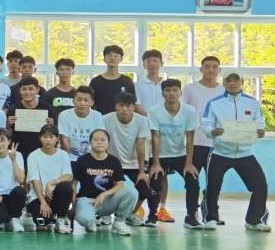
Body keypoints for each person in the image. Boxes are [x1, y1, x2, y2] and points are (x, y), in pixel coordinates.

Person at [202, 73, 270, 231]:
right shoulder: (214, 103)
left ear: (242, 82)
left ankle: (254, 220)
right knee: (213, 186)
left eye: (236, 80)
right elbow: (206, 124)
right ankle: (210, 218)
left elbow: (259, 121)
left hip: (245, 153)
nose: (232, 83)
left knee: (260, 185)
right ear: (224, 82)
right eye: (229, 80)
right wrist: (213, 131)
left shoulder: (252, 103)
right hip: (220, 153)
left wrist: (260, 130)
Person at [147, 79, 202, 228]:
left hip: (180, 155)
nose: (171, 93)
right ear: (162, 94)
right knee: (155, 181)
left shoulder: (189, 111)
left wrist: (189, 163)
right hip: (159, 156)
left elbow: (190, 138)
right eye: (167, 90)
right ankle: (152, 216)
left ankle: (191, 217)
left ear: (180, 93)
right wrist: (156, 163)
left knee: (193, 181)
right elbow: (155, 137)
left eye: (174, 90)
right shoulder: (154, 111)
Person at [179, 55, 224, 224]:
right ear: (201, 69)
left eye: (214, 67)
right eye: (207, 66)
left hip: (216, 145)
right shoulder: (190, 89)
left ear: (219, 70)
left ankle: (211, 214)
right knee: (192, 182)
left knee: (214, 182)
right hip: (194, 143)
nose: (210, 70)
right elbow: (182, 112)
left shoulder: (224, 91)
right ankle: (191, 215)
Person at [103, 92, 157, 228]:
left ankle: (129, 214)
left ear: (133, 107)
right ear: (116, 106)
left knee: (144, 189)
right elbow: (103, 142)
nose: (124, 109)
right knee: (102, 185)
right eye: (121, 105)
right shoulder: (105, 119)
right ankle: (105, 213)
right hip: (112, 164)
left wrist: (142, 172)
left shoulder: (142, 121)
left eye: (128, 106)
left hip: (134, 165)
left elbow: (140, 145)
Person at [72, 129, 137, 236]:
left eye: (103, 140)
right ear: (90, 142)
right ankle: (90, 221)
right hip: (88, 200)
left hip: (107, 201)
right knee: (84, 219)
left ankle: (119, 222)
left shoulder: (114, 161)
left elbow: (120, 184)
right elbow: (73, 184)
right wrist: (74, 206)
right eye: (95, 140)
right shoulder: (82, 160)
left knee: (132, 192)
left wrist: (104, 194)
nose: (99, 142)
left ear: (108, 143)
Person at [25, 124, 73, 234]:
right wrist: (43, 202)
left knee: (66, 187)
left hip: (56, 196)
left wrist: (51, 182)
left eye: (51, 137)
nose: (48, 140)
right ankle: (47, 217)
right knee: (42, 223)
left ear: (57, 138)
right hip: (38, 197)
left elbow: (68, 176)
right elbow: (35, 180)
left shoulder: (63, 155)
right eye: (45, 137)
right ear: (40, 138)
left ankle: (60, 220)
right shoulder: (33, 156)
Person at [7, 77, 52, 165]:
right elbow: (8, 133)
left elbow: (53, 133)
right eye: (24, 89)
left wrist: (51, 125)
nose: (27, 92)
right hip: (19, 151)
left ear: (37, 90)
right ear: (20, 91)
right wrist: (8, 124)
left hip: (40, 150)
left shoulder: (47, 108)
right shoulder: (13, 108)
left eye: (31, 89)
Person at [58, 86, 105, 163]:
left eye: (86, 100)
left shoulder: (97, 116)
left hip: (92, 157)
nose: (82, 103)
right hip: (70, 157)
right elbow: (64, 140)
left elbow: (100, 139)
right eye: (79, 100)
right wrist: (67, 161)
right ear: (73, 101)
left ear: (92, 102)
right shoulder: (64, 115)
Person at [89, 45, 136, 115]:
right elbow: (90, 103)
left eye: (115, 56)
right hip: (101, 119)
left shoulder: (127, 81)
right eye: (109, 56)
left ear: (121, 59)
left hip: (122, 119)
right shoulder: (95, 82)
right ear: (104, 59)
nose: (112, 58)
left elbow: (132, 103)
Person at [136, 50, 165, 115]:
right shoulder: (137, 85)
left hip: (164, 120)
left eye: (155, 61)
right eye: (148, 61)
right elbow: (137, 106)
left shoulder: (167, 85)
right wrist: (151, 118)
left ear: (161, 63)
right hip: (144, 119)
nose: (152, 64)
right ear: (144, 65)